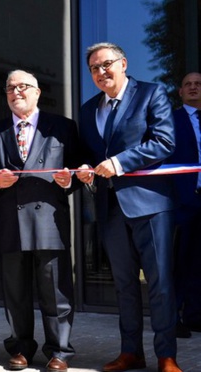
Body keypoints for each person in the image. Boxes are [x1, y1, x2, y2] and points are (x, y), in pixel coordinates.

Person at [76, 42, 181, 372]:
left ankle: (167, 356)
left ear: (123, 63)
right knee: (124, 286)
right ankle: (131, 352)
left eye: (106, 64)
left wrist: (119, 163)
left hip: (150, 204)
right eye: (93, 68)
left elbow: (164, 142)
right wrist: (83, 167)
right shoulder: (87, 108)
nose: (100, 72)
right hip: (109, 206)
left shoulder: (151, 93)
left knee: (160, 283)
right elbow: (89, 153)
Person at [0, 70, 78, 372]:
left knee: (54, 290)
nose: (16, 92)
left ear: (37, 92)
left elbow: (79, 170)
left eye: (22, 87)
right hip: (10, 221)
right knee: (15, 292)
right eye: (10, 88)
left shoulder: (62, 128)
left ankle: (60, 351)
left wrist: (68, 180)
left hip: (49, 220)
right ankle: (20, 348)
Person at [169, 72, 201, 338]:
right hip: (184, 200)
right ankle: (174, 317)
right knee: (180, 261)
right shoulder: (171, 120)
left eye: (198, 84)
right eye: (187, 84)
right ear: (180, 93)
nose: (193, 87)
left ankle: (195, 315)